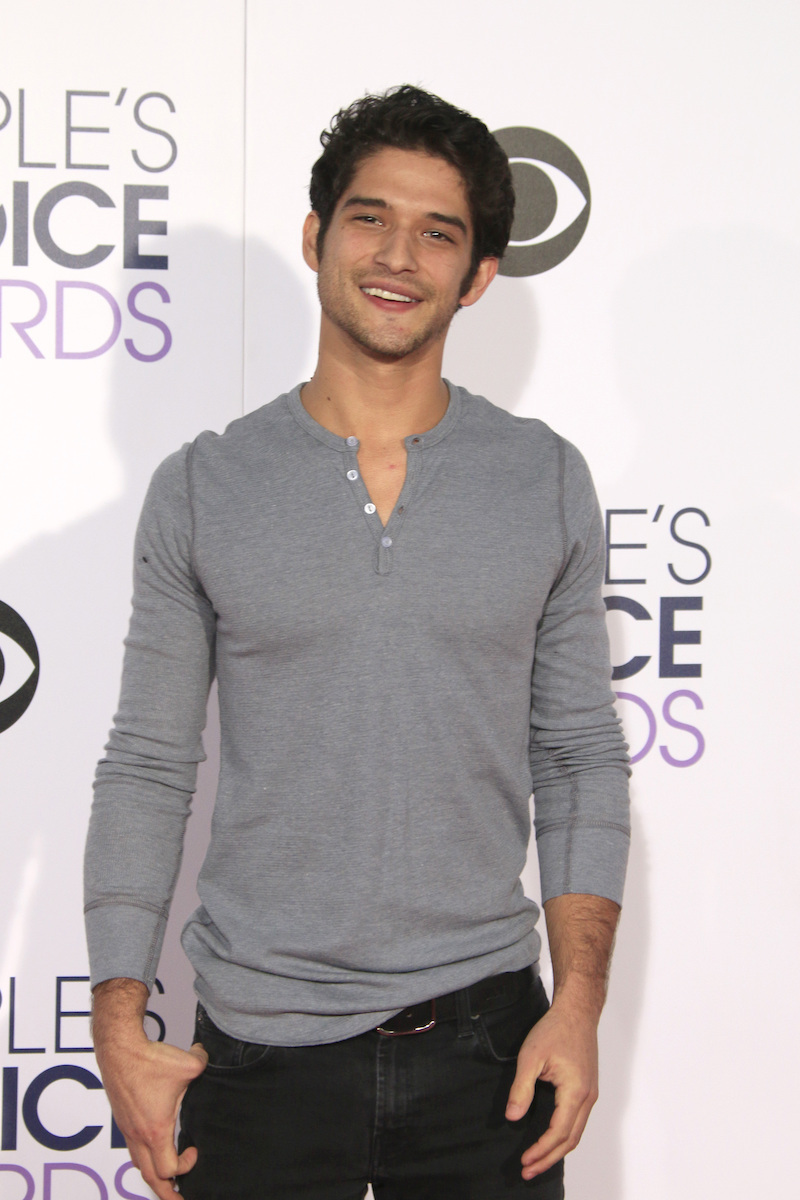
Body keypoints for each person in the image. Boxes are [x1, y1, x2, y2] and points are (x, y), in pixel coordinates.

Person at [85, 85, 630, 1200]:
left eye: (438, 232)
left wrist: (576, 1005)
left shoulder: (542, 478)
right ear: (315, 237)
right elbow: (147, 763)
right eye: (370, 218)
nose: (398, 255)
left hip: (491, 1051)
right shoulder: (203, 486)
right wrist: (117, 1022)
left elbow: (577, 755)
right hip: (253, 1053)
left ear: (477, 276)